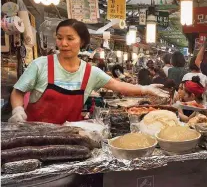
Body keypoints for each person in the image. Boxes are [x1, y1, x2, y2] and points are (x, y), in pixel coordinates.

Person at [8, 19, 168, 124]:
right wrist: (17, 109)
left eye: (70, 39)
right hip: (33, 136)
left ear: (82, 41)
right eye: (59, 38)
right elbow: (18, 92)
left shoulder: (90, 72)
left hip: (69, 139)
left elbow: (117, 86)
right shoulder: (40, 65)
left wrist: (145, 89)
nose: (63, 43)